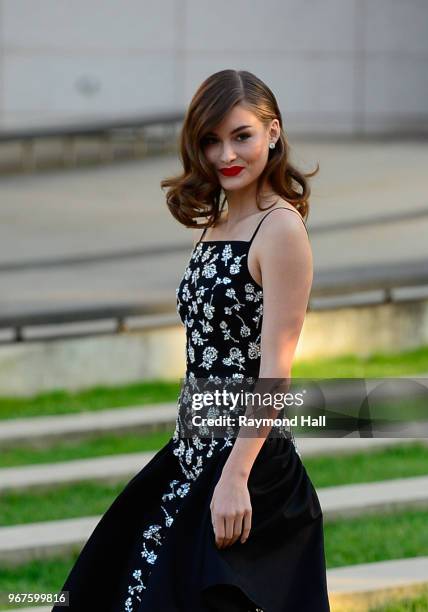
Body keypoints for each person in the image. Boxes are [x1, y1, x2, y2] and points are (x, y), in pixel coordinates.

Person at [52, 69, 330, 611]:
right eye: (210, 140)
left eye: (241, 135)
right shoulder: (218, 223)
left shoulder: (282, 232)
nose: (225, 153)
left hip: (249, 468)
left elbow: (276, 370)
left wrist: (234, 478)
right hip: (192, 454)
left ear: (272, 133)